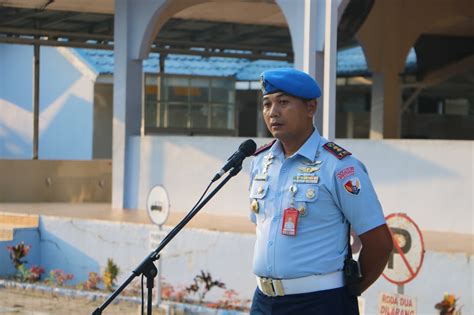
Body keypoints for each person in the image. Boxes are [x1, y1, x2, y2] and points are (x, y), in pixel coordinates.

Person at [248, 68, 393, 314]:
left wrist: (350, 292)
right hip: (264, 301)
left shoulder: (339, 166)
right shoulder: (260, 162)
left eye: (283, 102)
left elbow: (379, 244)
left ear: (310, 108)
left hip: (319, 303)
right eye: (267, 104)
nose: (273, 112)